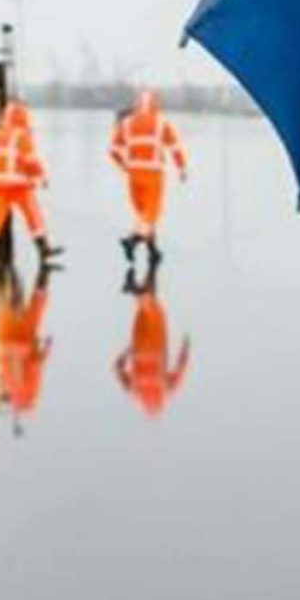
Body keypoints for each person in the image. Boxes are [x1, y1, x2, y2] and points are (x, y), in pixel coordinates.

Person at [109, 90, 188, 263]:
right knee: (151, 213)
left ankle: (153, 250)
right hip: (153, 175)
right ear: (155, 105)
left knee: (143, 215)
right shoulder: (162, 123)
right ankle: (132, 241)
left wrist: (124, 166)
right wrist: (181, 168)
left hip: (133, 176)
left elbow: (113, 151)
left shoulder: (126, 123)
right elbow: (175, 148)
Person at [0, 99, 62, 266]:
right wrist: (41, 178)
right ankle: (43, 249)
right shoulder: (21, 136)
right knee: (33, 215)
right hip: (18, 184)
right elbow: (30, 161)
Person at [115, 269, 190, 419]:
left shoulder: (166, 393)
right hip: (138, 349)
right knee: (144, 310)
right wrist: (128, 351)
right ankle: (142, 284)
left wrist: (185, 347)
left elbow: (181, 368)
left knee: (153, 309)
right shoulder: (134, 393)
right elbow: (117, 368)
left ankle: (141, 287)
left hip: (156, 350)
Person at [0, 265, 53, 430]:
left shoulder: (28, 391)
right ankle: (0, 282)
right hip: (4, 342)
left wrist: (45, 350)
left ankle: (43, 277)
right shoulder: (11, 389)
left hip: (23, 340)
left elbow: (35, 366)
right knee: (1, 310)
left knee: (37, 305)